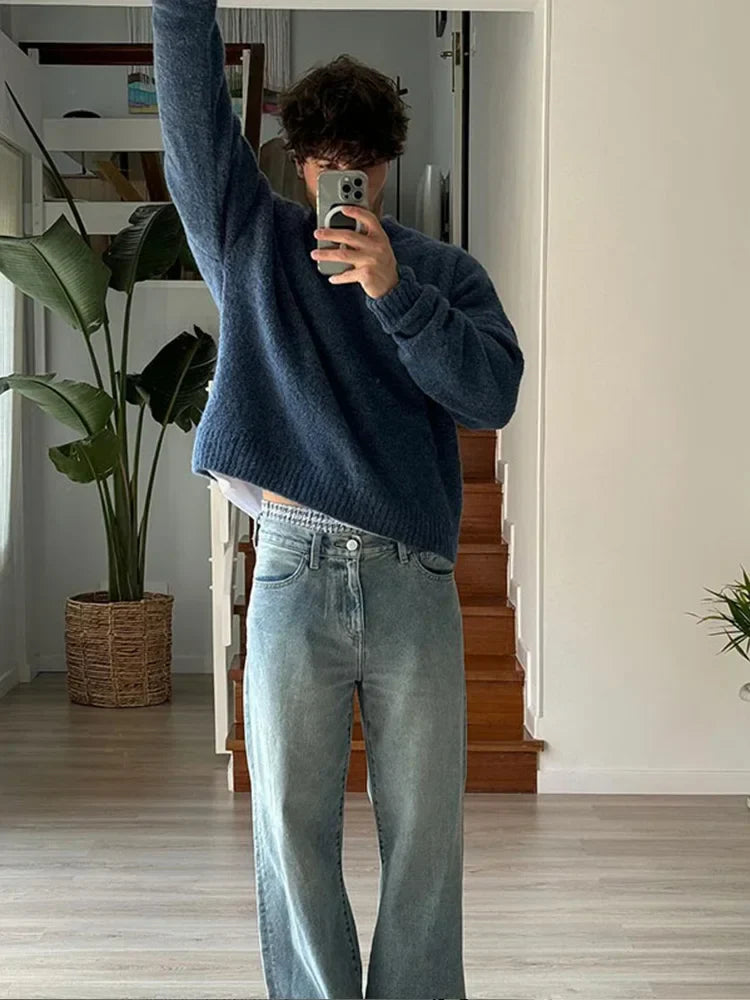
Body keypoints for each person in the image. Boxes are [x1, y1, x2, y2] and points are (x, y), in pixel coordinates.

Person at [152, 3, 524, 998]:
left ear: (386, 166)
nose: (341, 179)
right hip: (292, 568)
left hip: (413, 584)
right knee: (290, 832)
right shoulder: (251, 240)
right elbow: (191, 125)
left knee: (427, 841)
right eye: (325, 162)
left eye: (359, 162)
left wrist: (394, 291)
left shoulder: (443, 275)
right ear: (298, 163)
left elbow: (492, 395)